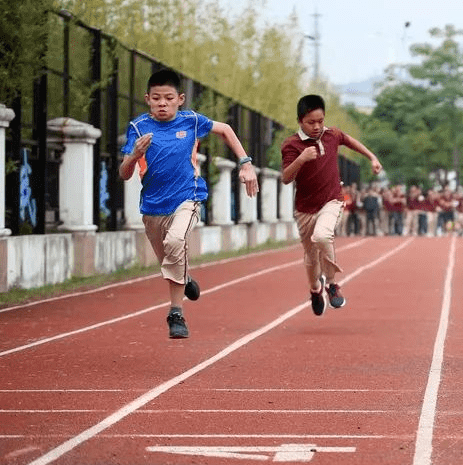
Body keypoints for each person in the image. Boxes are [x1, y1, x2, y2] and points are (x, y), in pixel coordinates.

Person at [119, 68, 259, 339]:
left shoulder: (191, 121)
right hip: (152, 207)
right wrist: (134, 155)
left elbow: (225, 129)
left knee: (175, 243)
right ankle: (186, 279)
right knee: (169, 261)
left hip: (188, 197)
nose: (163, 104)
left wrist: (245, 163)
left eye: (169, 98)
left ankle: (176, 314)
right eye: (156, 98)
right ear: (147, 99)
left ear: (180, 99)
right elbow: (124, 174)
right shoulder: (138, 127)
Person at [281, 94, 382, 315]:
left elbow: (351, 141)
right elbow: (286, 178)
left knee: (322, 236)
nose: (317, 126)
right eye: (311, 122)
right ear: (300, 121)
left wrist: (372, 157)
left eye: (320, 121)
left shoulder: (332, 135)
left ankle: (332, 284)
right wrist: (301, 159)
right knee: (311, 257)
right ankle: (315, 289)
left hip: (332, 200)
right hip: (305, 209)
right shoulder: (291, 145)